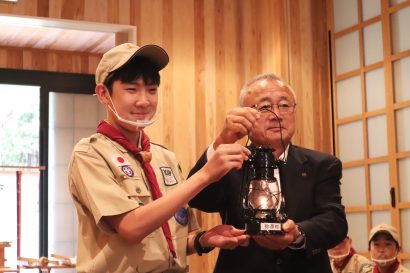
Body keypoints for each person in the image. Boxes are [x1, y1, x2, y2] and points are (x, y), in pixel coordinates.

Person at [68, 43, 251, 273]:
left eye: (152, 90)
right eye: (131, 89)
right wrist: (205, 175)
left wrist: (204, 240)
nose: (144, 101)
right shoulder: (90, 154)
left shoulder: (164, 157)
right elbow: (131, 228)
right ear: (104, 94)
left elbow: (172, 241)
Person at [188, 73, 348, 273]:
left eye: (284, 105)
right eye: (264, 107)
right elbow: (199, 200)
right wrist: (223, 140)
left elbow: (334, 222)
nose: (277, 114)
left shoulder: (322, 164)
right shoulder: (232, 160)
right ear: (244, 115)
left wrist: (297, 234)